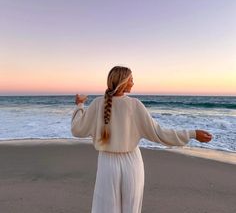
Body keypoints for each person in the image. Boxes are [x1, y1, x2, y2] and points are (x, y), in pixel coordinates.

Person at [71, 66, 212, 213]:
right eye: (131, 80)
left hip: (107, 164)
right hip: (131, 162)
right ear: (123, 82)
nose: (133, 83)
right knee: (131, 208)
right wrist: (191, 133)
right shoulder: (134, 105)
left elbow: (77, 129)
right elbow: (159, 133)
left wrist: (80, 105)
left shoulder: (97, 103)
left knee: (106, 208)